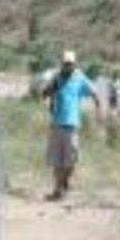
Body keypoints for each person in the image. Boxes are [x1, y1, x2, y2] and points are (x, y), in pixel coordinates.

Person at [42, 50, 102, 201]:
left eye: (70, 64)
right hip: (56, 123)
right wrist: (49, 94)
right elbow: (45, 93)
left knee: (72, 160)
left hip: (72, 124)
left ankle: (64, 182)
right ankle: (57, 190)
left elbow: (94, 92)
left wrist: (98, 109)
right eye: (65, 64)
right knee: (56, 161)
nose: (68, 66)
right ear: (62, 64)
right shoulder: (57, 77)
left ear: (74, 64)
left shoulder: (79, 77)